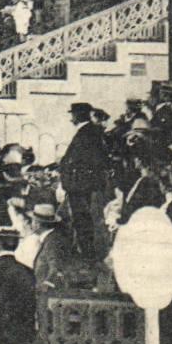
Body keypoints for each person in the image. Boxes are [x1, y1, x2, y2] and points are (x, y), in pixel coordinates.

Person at [59, 101, 112, 259]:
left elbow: (87, 161)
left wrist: (70, 178)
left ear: (78, 115)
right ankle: (86, 253)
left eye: (73, 114)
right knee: (83, 222)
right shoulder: (90, 131)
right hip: (81, 186)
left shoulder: (88, 132)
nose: (71, 118)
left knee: (83, 222)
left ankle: (87, 255)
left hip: (81, 188)